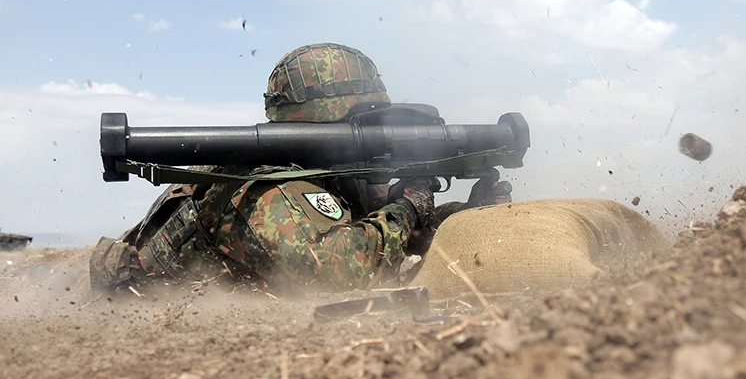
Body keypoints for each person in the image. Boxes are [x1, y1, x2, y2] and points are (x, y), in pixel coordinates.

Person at [89, 43, 512, 293]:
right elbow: (341, 272)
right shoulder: (268, 187)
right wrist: (411, 205)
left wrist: (457, 219)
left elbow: (366, 227)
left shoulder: (311, 174)